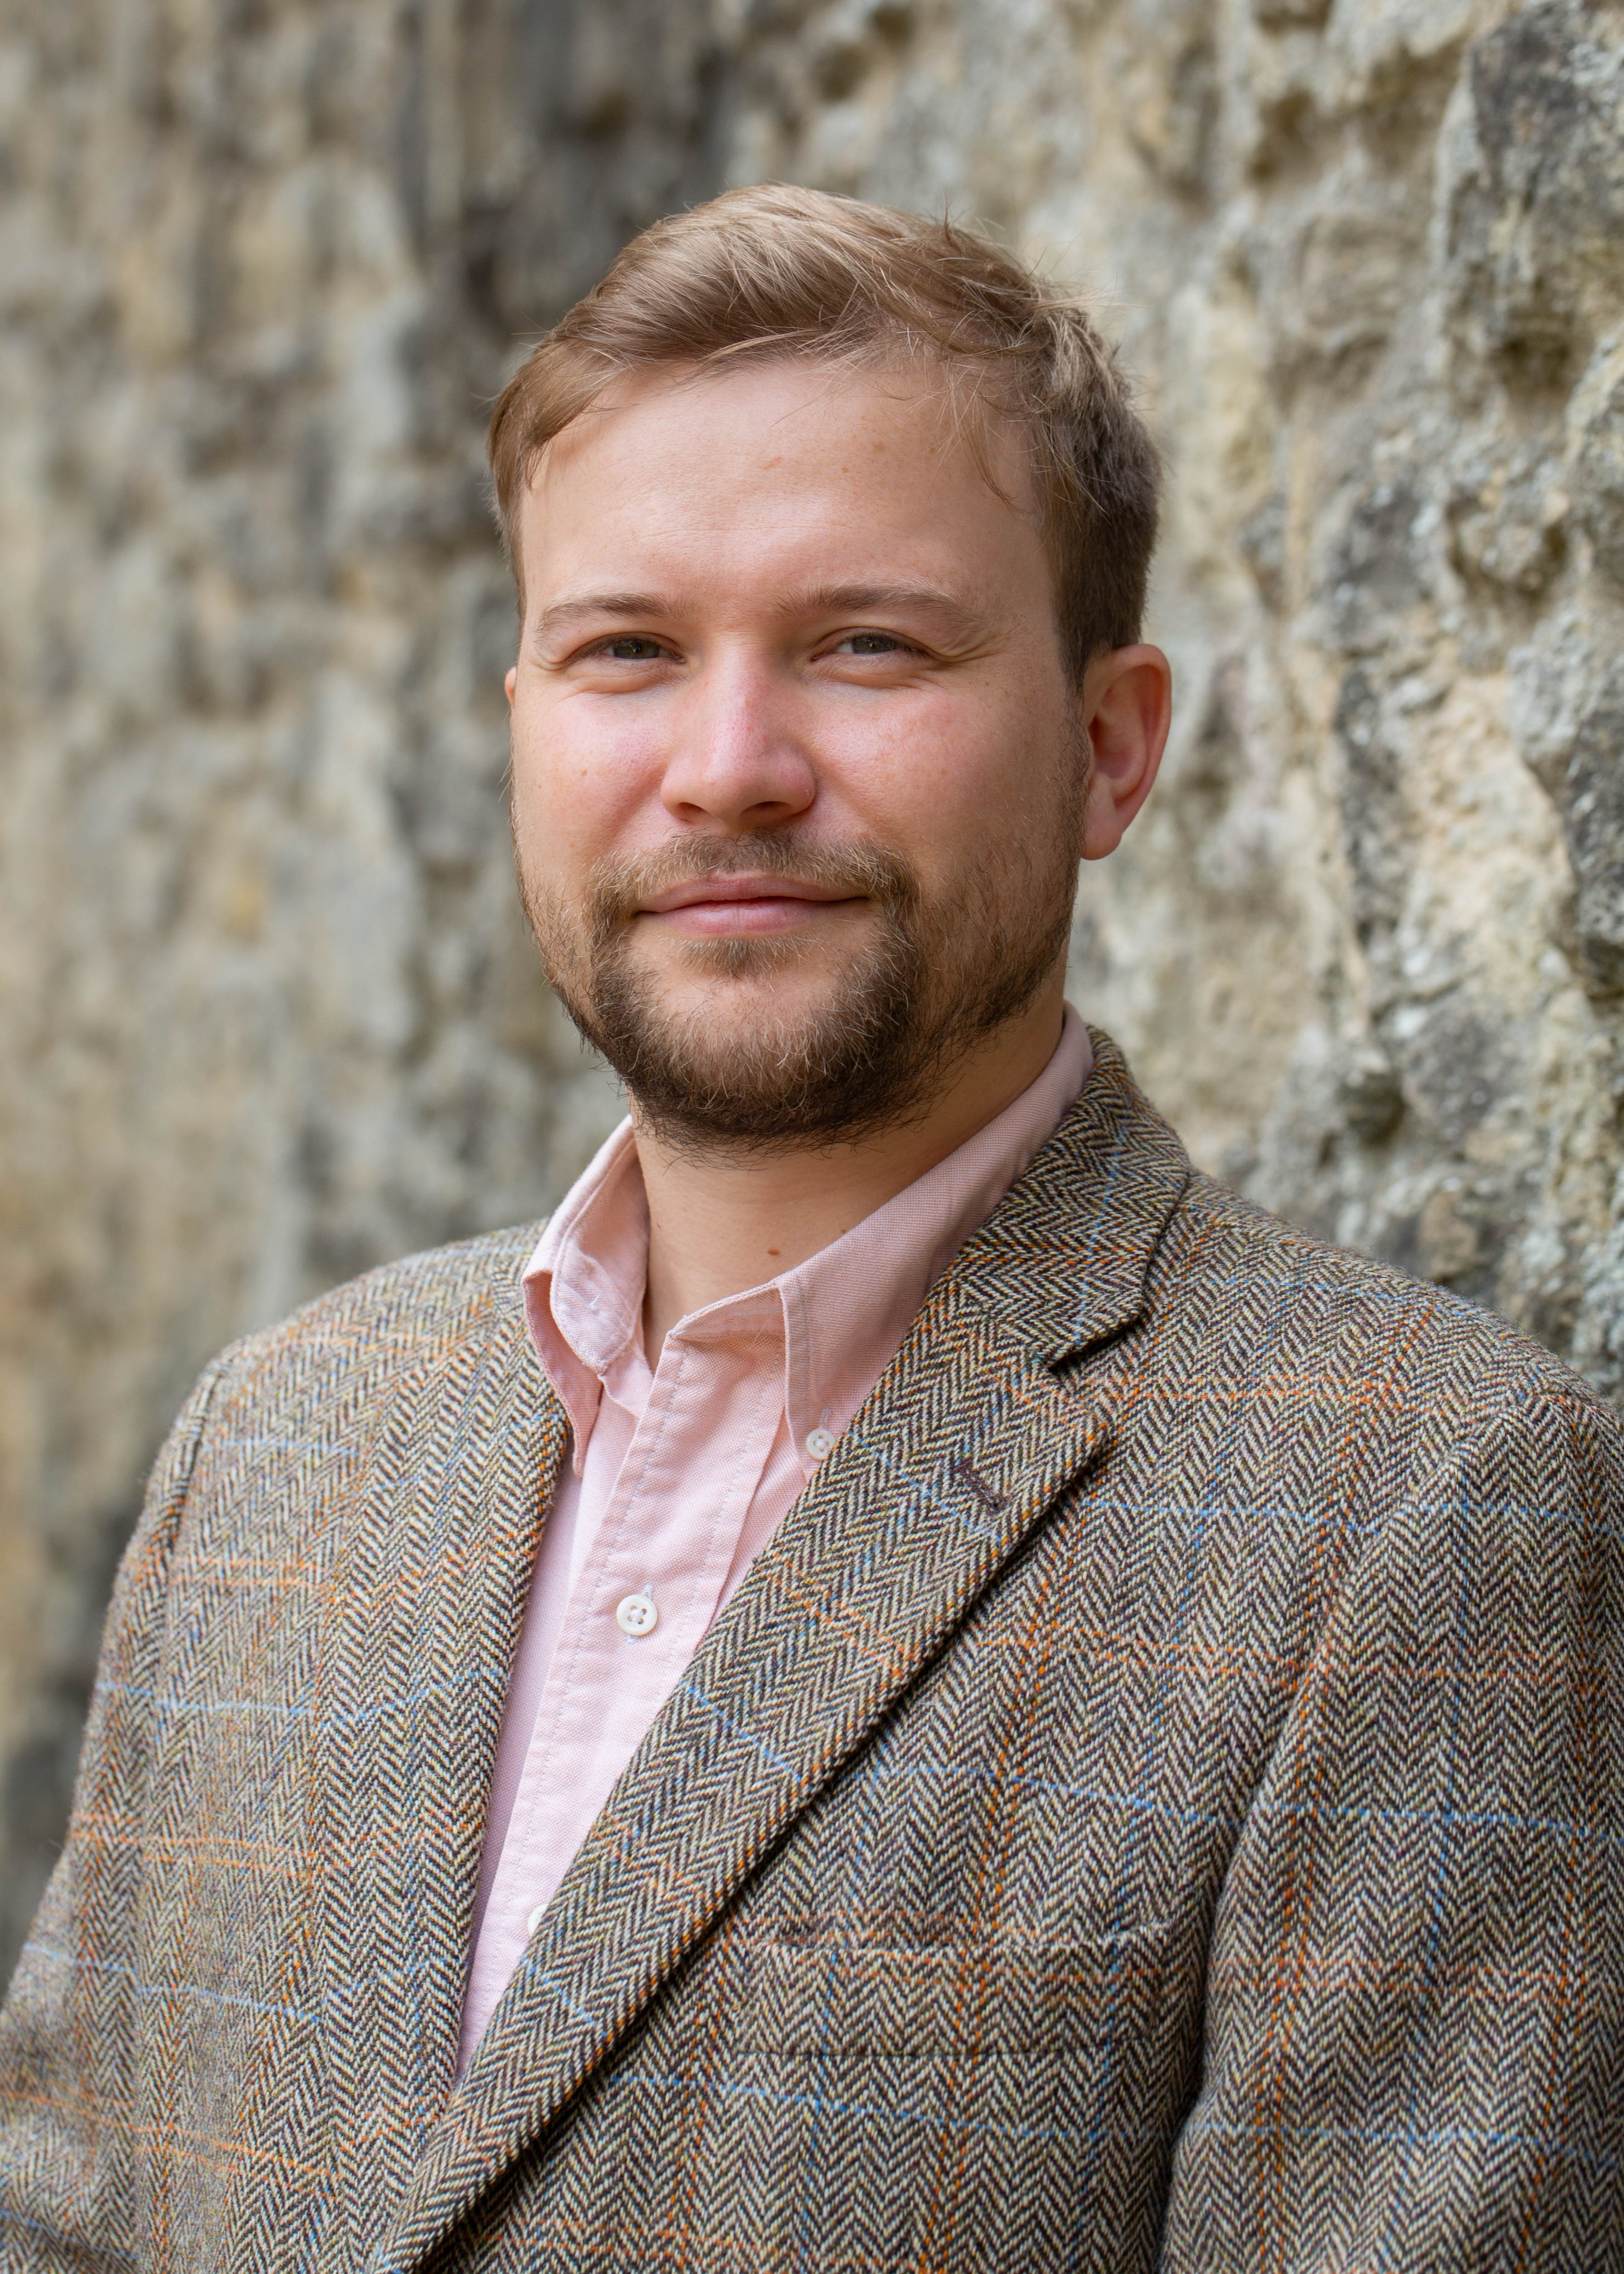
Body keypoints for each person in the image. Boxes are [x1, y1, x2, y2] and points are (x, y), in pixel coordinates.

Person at [1, 184, 1619, 2274]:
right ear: (520, 730)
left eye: (865, 645)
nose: (727, 768)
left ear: (1110, 747)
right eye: (625, 653)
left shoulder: (1422, 1516)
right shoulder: (277, 1447)